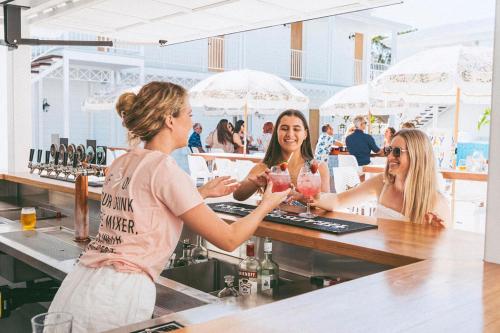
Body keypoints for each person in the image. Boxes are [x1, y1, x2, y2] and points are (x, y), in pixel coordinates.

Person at [47, 82, 290, 333]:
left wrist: (201, 194)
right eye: (189, 114)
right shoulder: (166, 169)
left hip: (81, 283)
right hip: (117, 295)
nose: (192, 121)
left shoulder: (122, 162)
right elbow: (229, 239)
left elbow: (146, 204)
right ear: (169, 120)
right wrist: (267, 204)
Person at [311, 129, 450, 226]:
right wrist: (312, 198)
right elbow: (338, 200)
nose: (389, 156)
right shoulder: (382, 183)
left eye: (397, 152)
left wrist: (436, 236)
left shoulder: (436, 202)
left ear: (417, 156)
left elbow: (444, 250)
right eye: (389, 150)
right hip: (379, 257)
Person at [233, 109, 330, 202]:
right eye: (284, 128)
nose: (290, 134)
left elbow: (325, 204)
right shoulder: (266, 166)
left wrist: (299, 197)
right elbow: (237, 195)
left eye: (296, 129)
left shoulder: (317, 167)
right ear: (276, 133)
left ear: (305, 134)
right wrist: (254, 184)